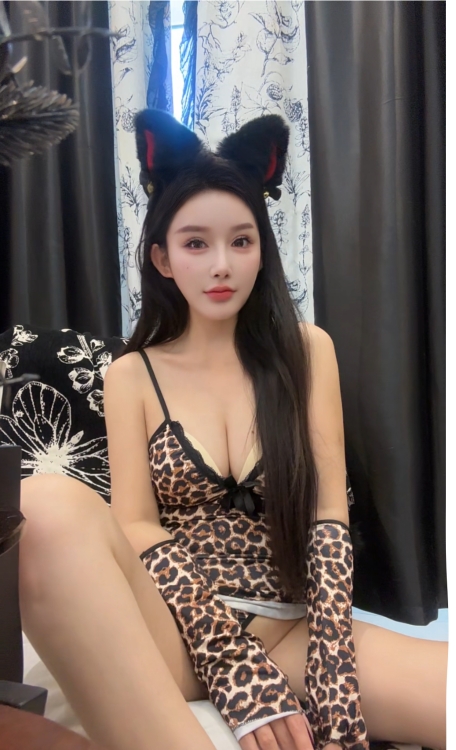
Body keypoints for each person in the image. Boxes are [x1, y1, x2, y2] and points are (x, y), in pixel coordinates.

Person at [18, 110, 446, 750]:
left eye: (241, 242)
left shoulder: (307, 350)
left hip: (292, 627)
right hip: (177, 627)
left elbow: (328, 512)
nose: (221, 265)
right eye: (196, 244)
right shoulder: (132, 374)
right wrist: (225, 653)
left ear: (261, 250)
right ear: (162, 259)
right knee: (44, 503)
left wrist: (333, 655)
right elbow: (137, 525)